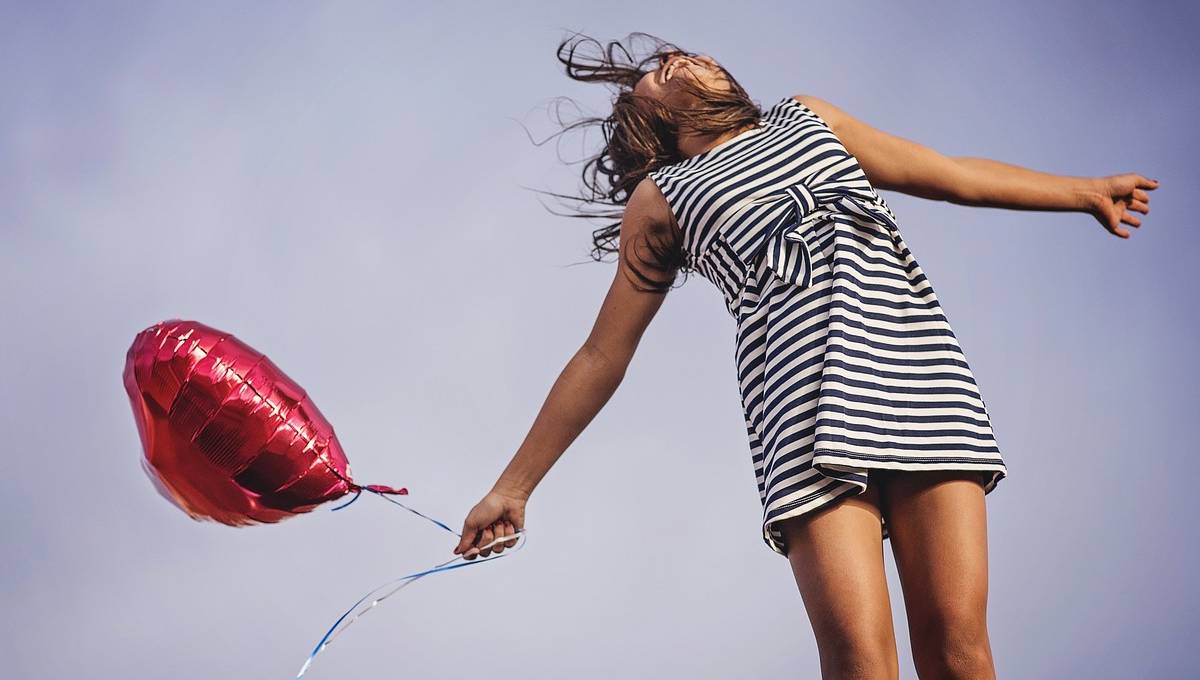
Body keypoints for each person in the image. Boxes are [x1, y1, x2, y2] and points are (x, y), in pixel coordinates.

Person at [452, 32, 1157, 679]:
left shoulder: (807, 118)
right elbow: (602, 355)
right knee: (857, 657)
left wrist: (1085, 191)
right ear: (653, 121)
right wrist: (514, 487)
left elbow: (948, 174)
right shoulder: (662, 198)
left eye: (683, 55)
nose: (680, 62)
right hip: (800, 417)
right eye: (661, 74)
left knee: (957, 642)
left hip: (919, 379)